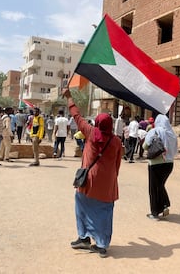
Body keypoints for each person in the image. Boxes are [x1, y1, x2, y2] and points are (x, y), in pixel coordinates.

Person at [63, 88, 122, 258]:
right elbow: (117, 165)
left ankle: (84, 238)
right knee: (104, 213)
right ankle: (102, 245)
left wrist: (69, 97)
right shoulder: (116, 141)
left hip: (88, 182)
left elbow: (76, 116)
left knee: (81, 208)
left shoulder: (90, 133)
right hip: (107, 184)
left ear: (97, 123)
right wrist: (112, 179)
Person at [143, 114, 178, 220]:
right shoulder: (172, 134)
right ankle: (164, 206)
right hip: (169, 164)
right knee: (160, 185)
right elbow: (175, 149)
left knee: (154, 188)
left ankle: (155, 212)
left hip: (155, 163)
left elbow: (145, 146)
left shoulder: (154, 131)